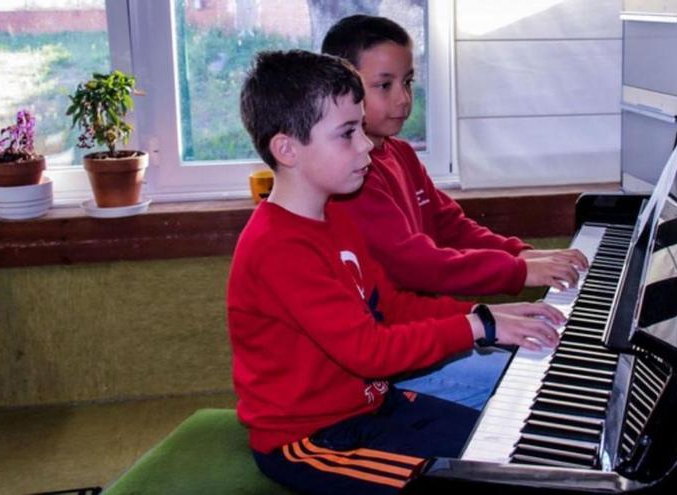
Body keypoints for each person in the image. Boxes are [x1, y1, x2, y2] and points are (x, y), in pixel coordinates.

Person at [228, 49, 564, 495]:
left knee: (511, 450)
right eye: (347, 134)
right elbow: (369, 351)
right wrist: (479, 326)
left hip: (372, 407)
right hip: (312, 440)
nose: (366, 145)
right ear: (287, 149)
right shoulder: (279, 246)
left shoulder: (337, 215)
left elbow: (392, 306)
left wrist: (487, 313)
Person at [321, 15, 589, 410]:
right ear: (343, 91)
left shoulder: (399, 153)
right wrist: (518, 272)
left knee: (537, 359)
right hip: (395, 355)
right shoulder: (351, 180)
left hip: (430, 328)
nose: (403, 98)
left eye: (408, 82)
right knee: (538, 390)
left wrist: (520, 254)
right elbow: (415, 263)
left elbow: (451, 226)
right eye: (384, 85)